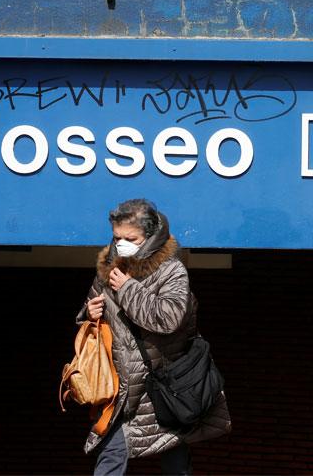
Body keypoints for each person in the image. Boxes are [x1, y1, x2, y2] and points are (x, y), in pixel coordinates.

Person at [77, 198, 230, 476]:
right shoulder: (109, 269)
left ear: (149, 236)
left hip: (163, 387)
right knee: (112, 454)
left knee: (173, 459)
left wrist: (127, 289)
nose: (121, 244)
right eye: (116, 237)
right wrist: (90, 312)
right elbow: (89, 317)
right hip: (123, 389)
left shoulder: (172, 271)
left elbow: (169, 319)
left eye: (130, 238)